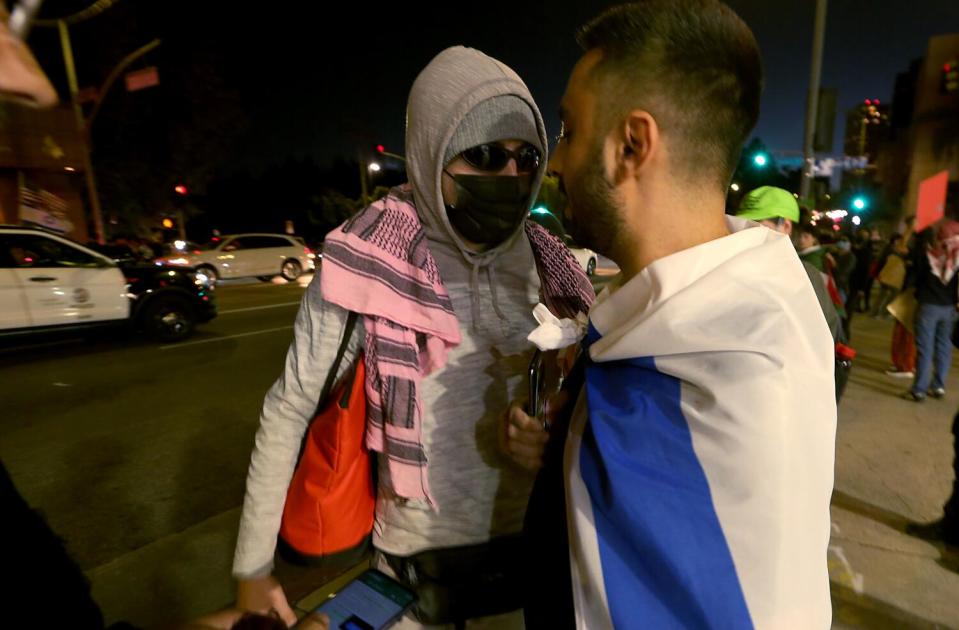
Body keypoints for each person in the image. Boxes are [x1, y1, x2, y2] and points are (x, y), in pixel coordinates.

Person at [233, 46, 591, 629]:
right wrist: (252, 569)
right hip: (411, 578)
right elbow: (288, 410)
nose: (511, 176)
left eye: (527, 157)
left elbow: (576, 400)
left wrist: (552, 439)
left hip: (536, 556)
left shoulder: (552, 265)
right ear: (431, 152)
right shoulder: (365, 262)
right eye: (484, 156)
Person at [521, 2, 836, 628]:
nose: (554, 163)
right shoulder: (716, 305)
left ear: (632, 144)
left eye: (570, 130)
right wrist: (565, 445)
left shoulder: (731, 377)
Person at [735, 186, 842, 342]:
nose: (743, 232)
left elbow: (823, 335)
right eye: (741, 224)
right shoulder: (735, 264)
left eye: (754, 225)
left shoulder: (806, 275)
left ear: (785, 226)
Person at [903, 199, 959, 402]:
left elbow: (915, 276)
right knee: (944, 347)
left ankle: (919, 389)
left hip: (928, 306)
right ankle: (938, 386)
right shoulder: (957, 258)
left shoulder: (929, 255)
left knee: (925, 348)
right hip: (950, 309)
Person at [871, 234, 908, 319]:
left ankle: (875, 312)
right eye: (899, 240)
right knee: (892, 293)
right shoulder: (892, 250)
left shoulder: (890, 248)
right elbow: (887, 261)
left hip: (887, 275)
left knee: (883, 294)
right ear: (895, 240)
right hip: (889, 275)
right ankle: (883, 312)